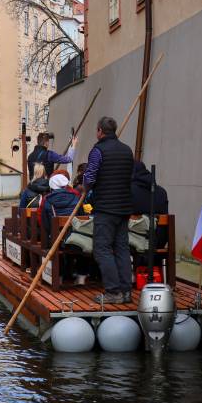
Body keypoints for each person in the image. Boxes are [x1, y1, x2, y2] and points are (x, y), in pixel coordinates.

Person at [82, 116, 134, 304]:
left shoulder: (98, 151)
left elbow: (90, 177)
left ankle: (113, 291)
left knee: (102, 249)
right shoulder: (127, 151)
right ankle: (126, 291)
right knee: (121, 249)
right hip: (124, 208)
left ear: (100, 131)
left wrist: (85, 188)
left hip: (105, 208)